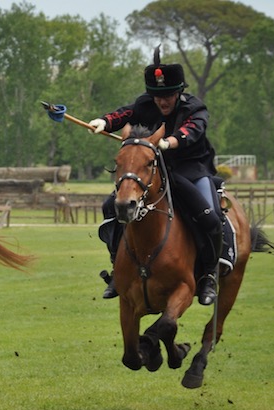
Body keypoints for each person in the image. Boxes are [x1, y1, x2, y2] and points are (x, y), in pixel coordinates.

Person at [90, 49, 222, 306]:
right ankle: (118, 270)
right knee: (111, 207)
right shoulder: (145, 104)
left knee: (211, 216)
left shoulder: (195, 108)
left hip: (190, 168)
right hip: (151, 171)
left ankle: (208, 276)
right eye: (157, 96)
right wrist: (105, 122)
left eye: (168, 96)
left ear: (179, 92)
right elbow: (125, 114)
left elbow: (190, 132)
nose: (162, 101)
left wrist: (168, 142)